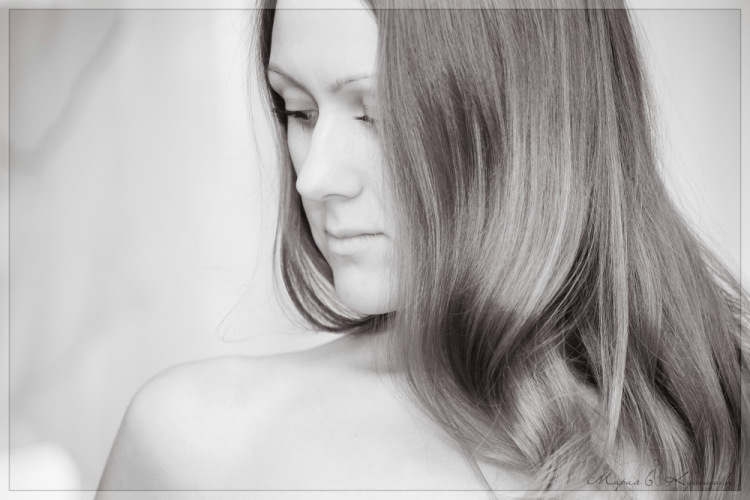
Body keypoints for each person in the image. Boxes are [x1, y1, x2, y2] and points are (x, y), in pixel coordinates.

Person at [96, 0, 749, 498]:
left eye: (375, 115)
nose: (313, 179)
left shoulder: (712, 433)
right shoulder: (196, 440)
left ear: (530, 120)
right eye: (298, 110)